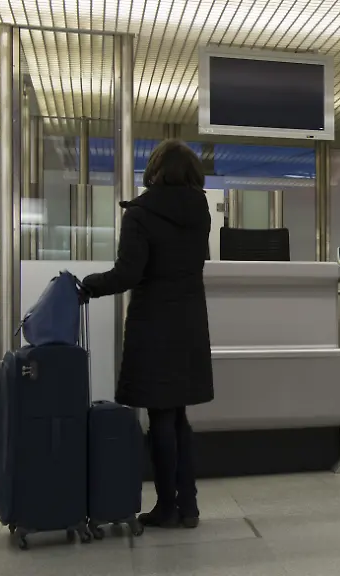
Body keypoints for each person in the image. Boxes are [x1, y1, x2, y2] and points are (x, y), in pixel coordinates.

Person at [80, 140, 214, 529]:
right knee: (178, 416)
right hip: (189, 324)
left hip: (155, 324)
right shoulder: (200, 211)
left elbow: (128, 273)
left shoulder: (140, 214)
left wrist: (87, 285)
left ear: (155, 170)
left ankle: (167, 507)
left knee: (161, 418)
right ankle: (188, 506)